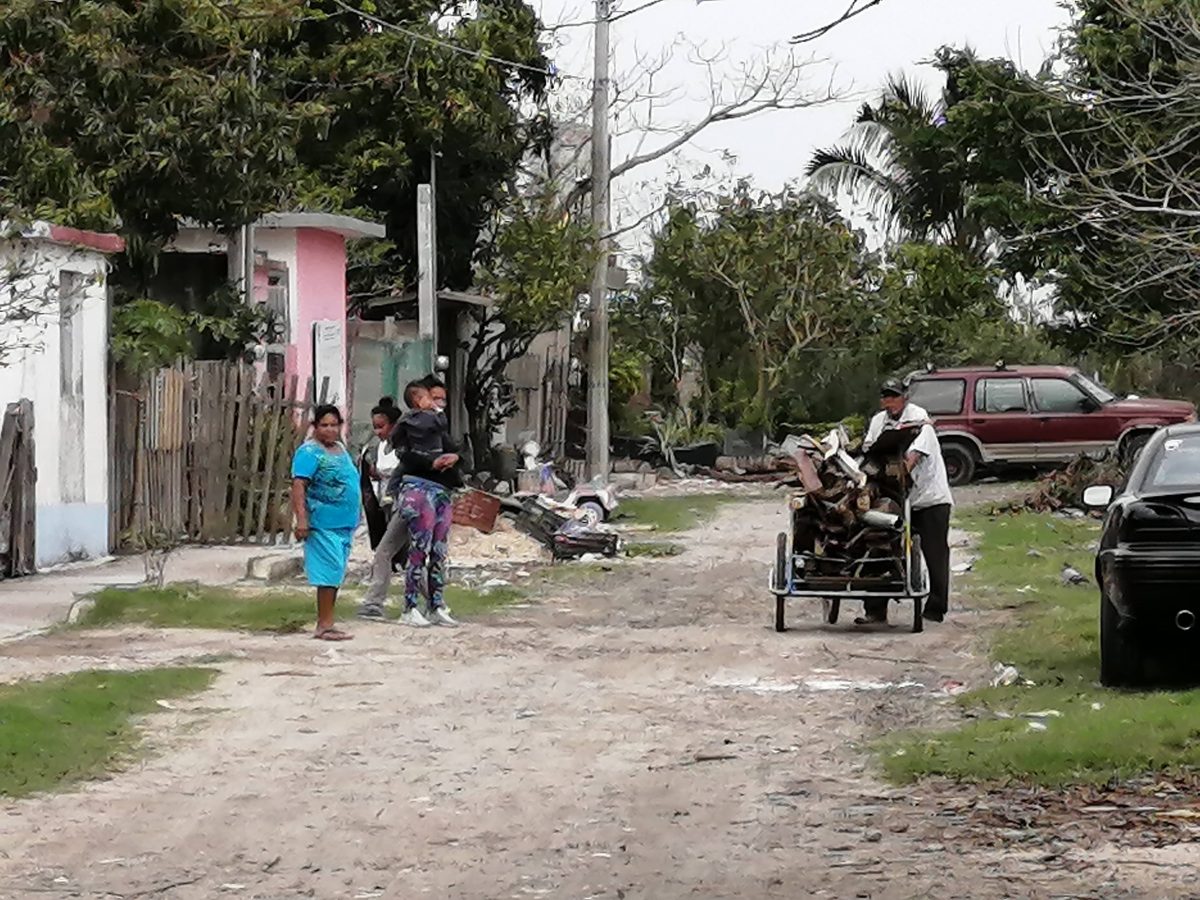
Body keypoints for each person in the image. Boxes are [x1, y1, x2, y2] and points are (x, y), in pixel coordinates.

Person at [859, 380, 952, 625]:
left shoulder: (920, 420)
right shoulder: (878, 421)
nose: (890, 403)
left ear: (905, 397)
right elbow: (869, 452)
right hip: (895, 498)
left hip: (929, 498)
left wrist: (896, 470)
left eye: (894, 397)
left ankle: (935, 607)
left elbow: (912, 459)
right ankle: (876, 610)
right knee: (881, 546)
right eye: (886, 398)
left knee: (934, 552)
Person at [389, 380, 462, 628]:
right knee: (419, 548)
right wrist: (431, 463)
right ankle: (409, 606)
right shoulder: (410, 426)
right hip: (418, 488)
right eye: (433, 398)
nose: (437, 403)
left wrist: (455, 458)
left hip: (441, 490)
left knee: (439, 550)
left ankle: (436, 604)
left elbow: (455, 449)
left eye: (440, 399)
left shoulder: (437, 428)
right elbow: (402, 453)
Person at [291, 404, 360, 641]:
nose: (330, 430)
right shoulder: (309, 453)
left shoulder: (340, 449)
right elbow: (299, 485)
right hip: (322, 523)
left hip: (344, 523)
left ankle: (329, 621)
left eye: (334, 425)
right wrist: (302, 519)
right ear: (315, 427)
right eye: (324, 425)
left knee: (336, 573)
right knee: (328, 572)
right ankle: (324, 624)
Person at [359, 398, 402, 552]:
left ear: (394, 425)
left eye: (381, 427)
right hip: (382, 498)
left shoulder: (405, 447)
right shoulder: (375, 448)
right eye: (375, 427)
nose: (377, 432)